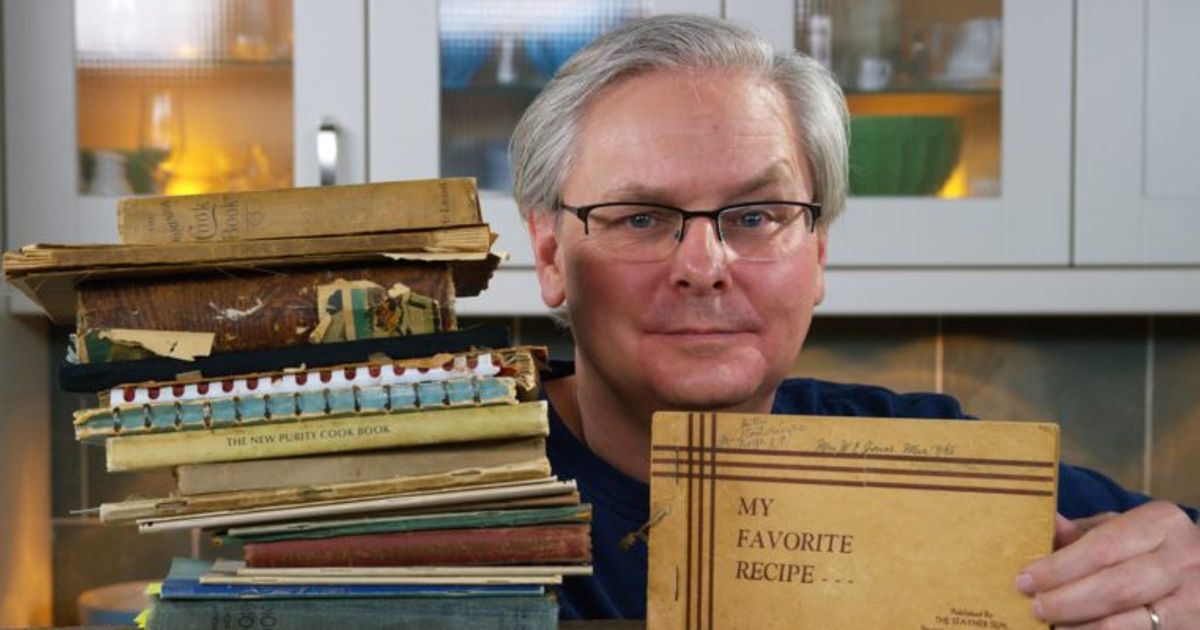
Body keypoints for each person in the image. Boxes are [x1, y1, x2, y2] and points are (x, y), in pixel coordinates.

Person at [508, 14, 1200, 628]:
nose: (705, 265)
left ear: (817, 251)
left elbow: (1177, 556)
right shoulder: (440, 490)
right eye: (641, 218)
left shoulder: (930, 467)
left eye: (756, 216)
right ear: (550, 255)